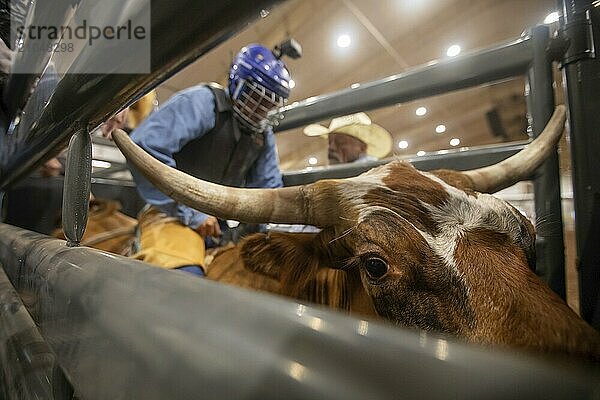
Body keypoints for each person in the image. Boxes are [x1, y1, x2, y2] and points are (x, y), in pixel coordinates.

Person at [106, 43, 296, 276]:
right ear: (239, 85)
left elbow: (269, 190)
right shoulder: (203, 103)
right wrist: (192, 213)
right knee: (187, 277)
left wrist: (272, 234)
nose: (264, 109)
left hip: (221, 228)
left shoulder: (263, 136)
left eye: (271, 103)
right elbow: (146, 148)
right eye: (258, 98)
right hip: (171, 215)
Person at [303, 112, 393, 164]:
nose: (331, 147)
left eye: (341, 142)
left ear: (362, 147)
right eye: (330, 142)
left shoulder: (372, 175)